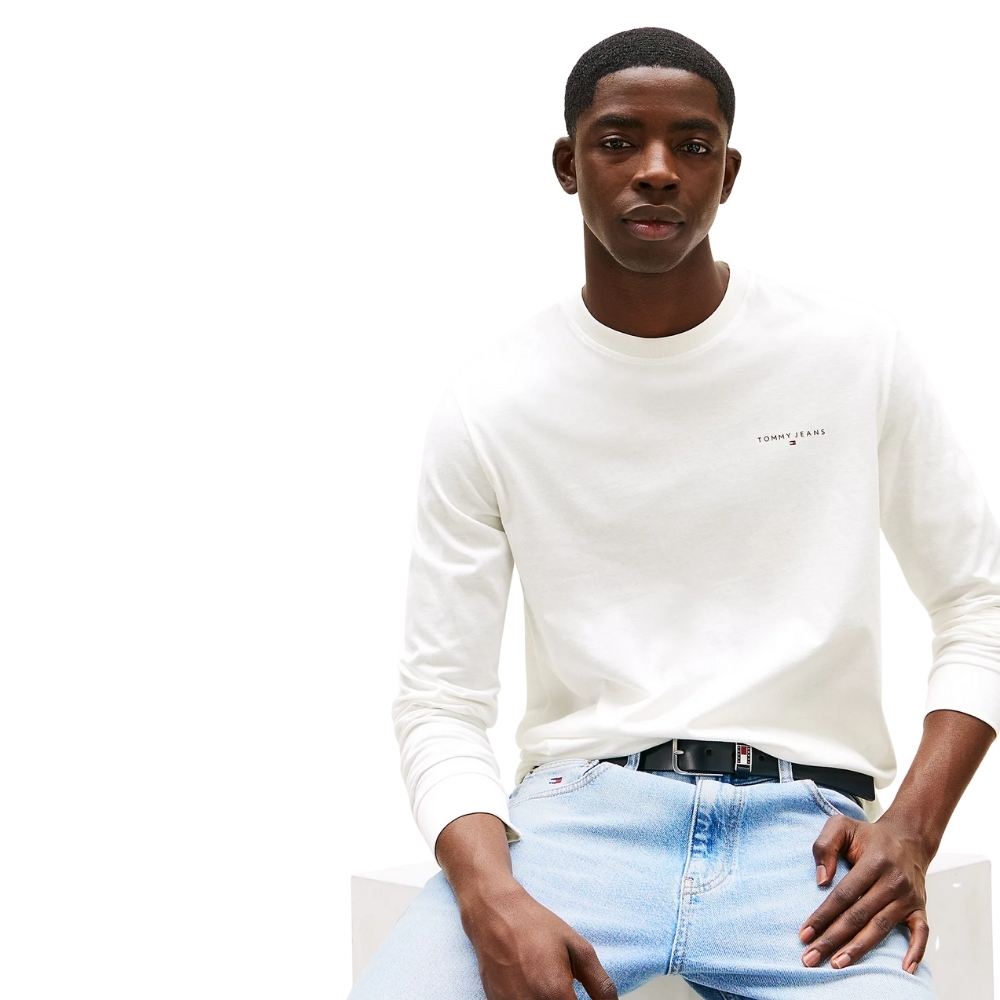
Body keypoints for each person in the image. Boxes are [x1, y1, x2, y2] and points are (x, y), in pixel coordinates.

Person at [350, 26, 1000, 1000]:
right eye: (619, 141)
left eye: (692, 146)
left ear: (726, 174)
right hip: (572, 827)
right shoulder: (495, 400)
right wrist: (491, 894)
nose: (657, 170)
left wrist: (913, 824)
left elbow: (978, 599)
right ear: (568, 164)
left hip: (806, 846)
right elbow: (441, 698)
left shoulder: (851, 354)